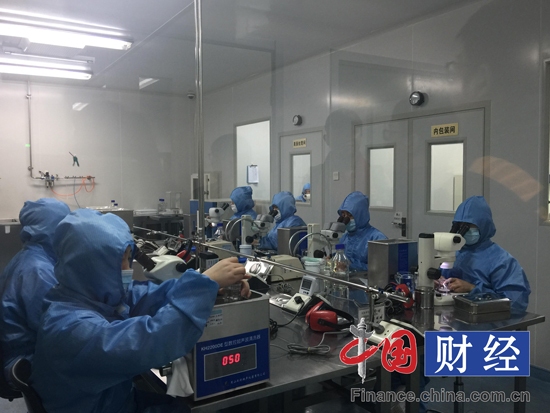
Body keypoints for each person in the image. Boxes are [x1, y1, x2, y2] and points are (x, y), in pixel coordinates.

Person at [30, 208, 250, 413]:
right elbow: (151, 340)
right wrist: (201, 288)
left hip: (112, 399)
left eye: (129, 258)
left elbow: (148, 296)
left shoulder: (87, 296)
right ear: (93, 266)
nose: (129, 269)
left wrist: (208, 285)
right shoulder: (70, 327)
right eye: (123, 261)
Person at [0, 198, 70, 382]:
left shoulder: (30, 257)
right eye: (65, 227)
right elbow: (56, 328)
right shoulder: (38, 270)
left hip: (21, 354)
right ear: (52, 229)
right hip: (29, 360)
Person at [440, 195, 531, 313]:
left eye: (468, 226)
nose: (463, 231)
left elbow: (516, 303)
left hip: (488, 321)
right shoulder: (454, 253)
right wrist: (437, 281)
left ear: (484, 226)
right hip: (452, 316)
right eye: (459, 226)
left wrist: (472, 289)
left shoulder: (502, 261)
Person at [338, 191, 387, 271]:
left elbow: (381, 269)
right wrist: (333, 258)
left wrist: (351, 265)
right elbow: (342, 256)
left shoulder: (377, 239)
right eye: (343, 215)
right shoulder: (345, 238)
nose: (346, 219)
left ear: (360, 215)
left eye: (350, 215)